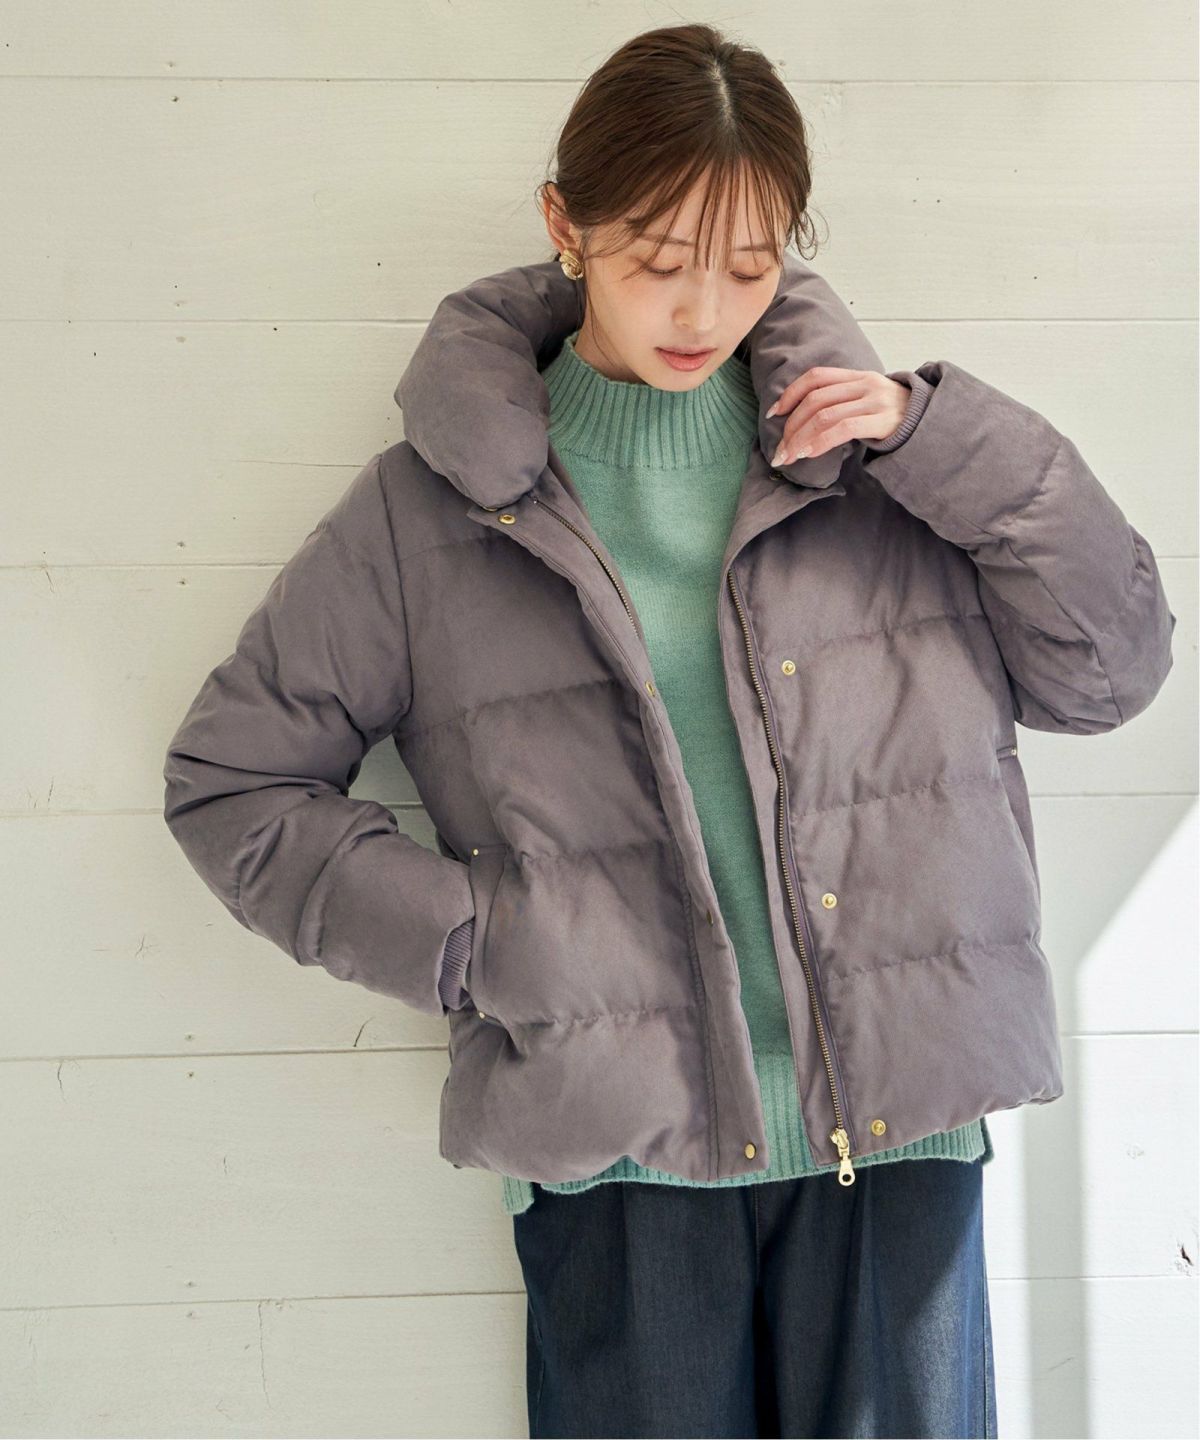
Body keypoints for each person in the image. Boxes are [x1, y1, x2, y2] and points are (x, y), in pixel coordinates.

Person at [162, 22, 1176, 1439]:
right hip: (620, 1161)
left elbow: (1113, 672)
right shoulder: (429, 512)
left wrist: (934, 437)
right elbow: (231, 784)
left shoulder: (884, 469)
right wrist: (484, 943)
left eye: (751, 265)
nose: (705, 308)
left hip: (898, 1132)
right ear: (564, 227)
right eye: (658, 260)